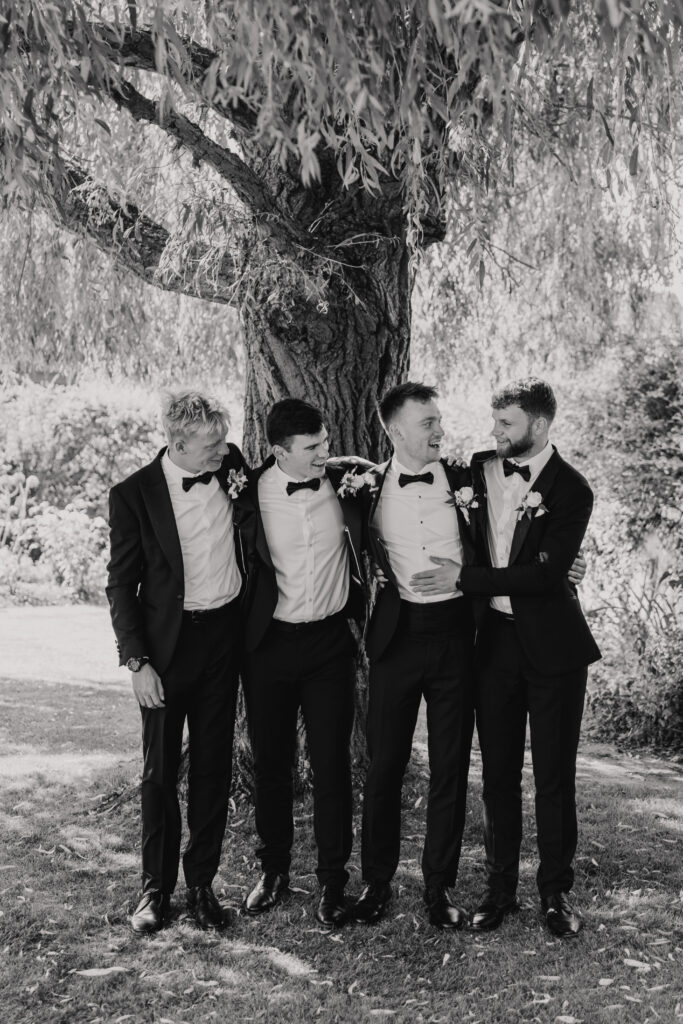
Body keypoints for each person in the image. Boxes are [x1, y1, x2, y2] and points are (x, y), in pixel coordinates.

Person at [411, 377, 601, 938]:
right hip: (491, 643)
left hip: (554, 648)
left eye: (506, 425)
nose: (494, 433)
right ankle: (499, 891)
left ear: (538, 427)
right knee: (496, 773)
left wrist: (464, 578)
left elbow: (545, 574)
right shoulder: (474, 469)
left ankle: (554, 894)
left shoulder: (572, 489)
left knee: (553, 774)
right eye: (494, 423)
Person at [106, 390, 247, 934]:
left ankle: (201, 884)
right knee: (159, 772)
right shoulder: (133, 494)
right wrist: (137, 662)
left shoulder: (229, 464)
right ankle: (154, 889)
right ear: (177, 442)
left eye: (222, 439)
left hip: (223, 644)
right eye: (210, 443)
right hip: (165, 652)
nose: (222, 450)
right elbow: (121, 585)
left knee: (215, 766)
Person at [233, 399, 369, 929]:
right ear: (278, 451)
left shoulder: (351, 482)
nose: (324, 455)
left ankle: (334, 881)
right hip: (268, 647)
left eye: (326, 443)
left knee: (332, 766)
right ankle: (273, 872)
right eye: (312, 448)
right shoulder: (245, 495)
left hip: (331, 644)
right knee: (273, 766)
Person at [351, 382, 477, 930]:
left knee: (449, 765)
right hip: (396, 639)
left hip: (458, 636)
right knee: (385, 766)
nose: (439, 431)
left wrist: (567, 565)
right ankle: (376, 884)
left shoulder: (469, 480)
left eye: (439, 420)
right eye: (427, 422)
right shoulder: (363, 486)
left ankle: (438, 887)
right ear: (395, 431)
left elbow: (518, 528)